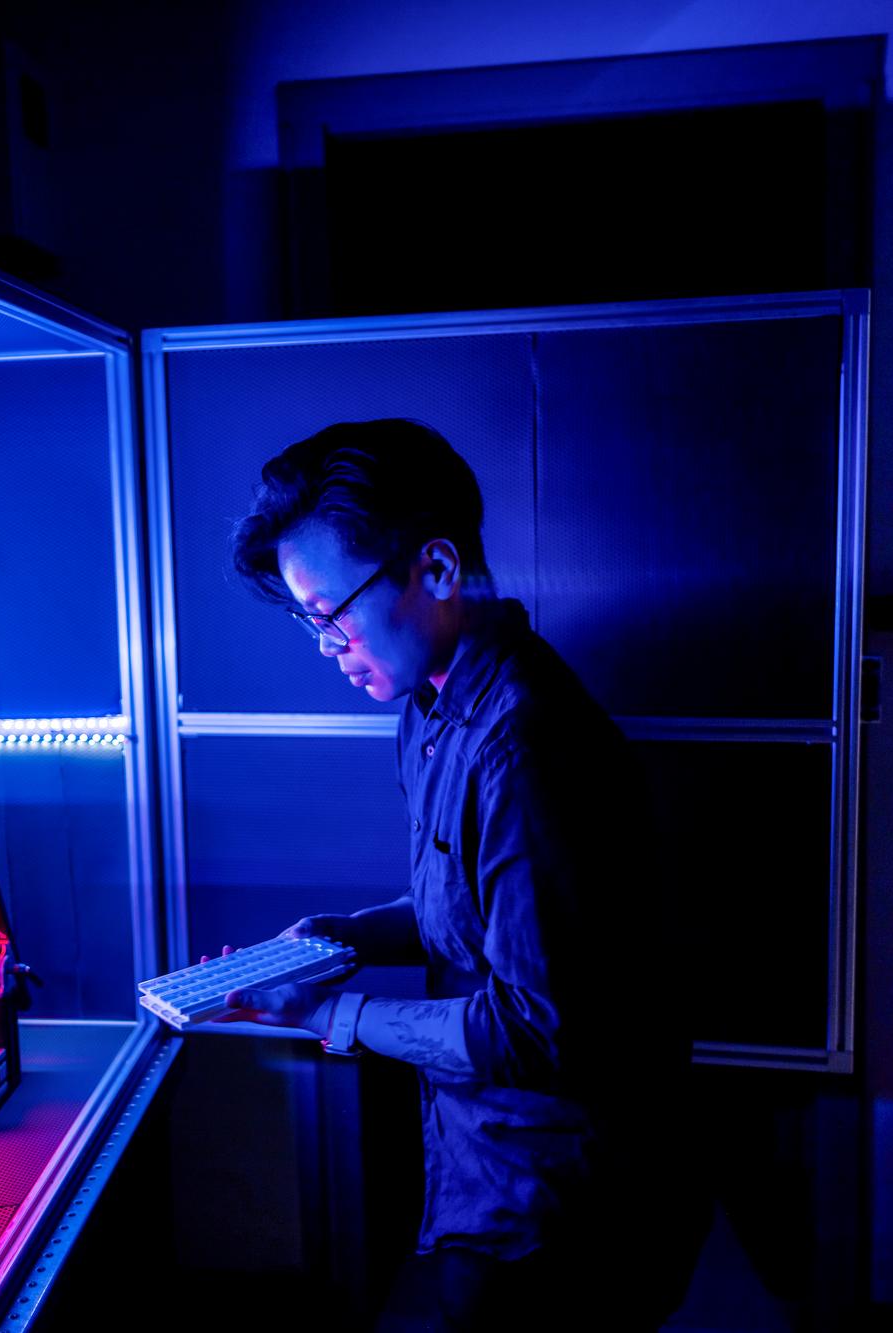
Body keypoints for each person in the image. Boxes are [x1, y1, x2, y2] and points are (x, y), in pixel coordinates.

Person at [207, 419, 698, 1331]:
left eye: (331, 614)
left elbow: (537, 1028)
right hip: (489, 1179)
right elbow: (473, 910)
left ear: (434, 571)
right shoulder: (433, 706)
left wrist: (327, 1015)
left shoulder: (526, 744)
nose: (327, 648)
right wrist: (341, 936)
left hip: (557, 1217)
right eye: (307, 622)